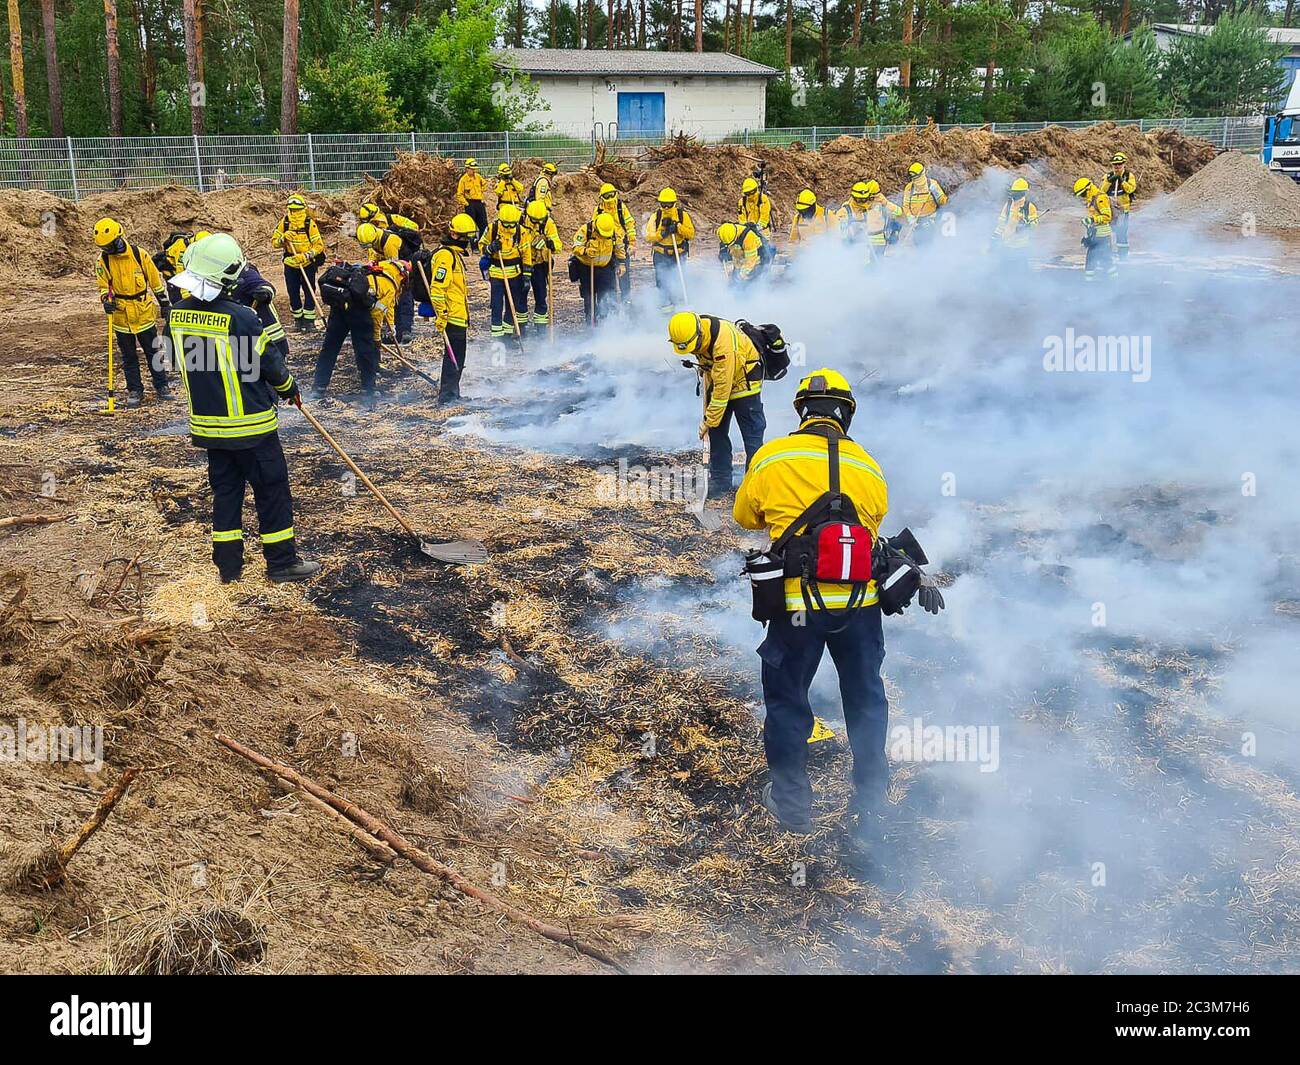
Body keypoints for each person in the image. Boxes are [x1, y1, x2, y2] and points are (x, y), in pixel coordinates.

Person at [732, 370, 888, 837]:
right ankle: (873, 804)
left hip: (797, 606)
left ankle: (793, 806)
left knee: (787, 701)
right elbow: (871, 532)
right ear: (848, 414)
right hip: (862, 607)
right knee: (865, 701)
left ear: (801, 411)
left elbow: (744, 516)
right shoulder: (870, 468)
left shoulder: (772, 455)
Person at [165, 233, 319, 584]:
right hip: (251, 428)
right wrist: (289, 389)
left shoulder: (176, 316)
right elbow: (271, 365)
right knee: (272, 491)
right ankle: (281, 563)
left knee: (227, 494)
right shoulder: (243, 318)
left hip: (209, 429)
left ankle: (229, 569)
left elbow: (179, 361)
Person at [667, 312, 766, 499]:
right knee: (717, 432)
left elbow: (722, 390)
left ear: (699, 334)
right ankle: (721, 481)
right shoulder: (696, 334)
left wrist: (708, 421)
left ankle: (754, 486)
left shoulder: (724, 345)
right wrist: (709, 419)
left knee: (752, 436)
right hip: (722, 380)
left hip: (745, 384)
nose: (691, 351)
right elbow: (710, 377)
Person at [93, 217, 171, 406]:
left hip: (143, 312)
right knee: (128, 356)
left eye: (109, 246)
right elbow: (104, 286)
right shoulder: (103, 261)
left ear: (118, 238)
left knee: (153, 351)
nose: (107, 251)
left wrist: (165, 303)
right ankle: (135, 390)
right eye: (104, 248)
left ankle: (162, 386)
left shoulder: (139, 255)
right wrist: (106, 300)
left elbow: (155, 281)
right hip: (121, 316)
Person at [312, 260, 391, 401]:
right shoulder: (383, 282)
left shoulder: (343, 279)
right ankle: (368, 389)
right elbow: (378, 312)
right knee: (364, 350)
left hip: (338, 311)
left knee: (329, 349)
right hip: (359, 314)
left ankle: (318, 387)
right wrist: (377, 336)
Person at [427, 214, 475, 403]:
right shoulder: (445, 256)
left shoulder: (454, 254)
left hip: (458, 315)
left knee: (458, 358)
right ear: (455, 235)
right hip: (451, 317)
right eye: (465, 237)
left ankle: (454, 393)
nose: (468, 241)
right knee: (453, 358)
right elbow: (438, 289)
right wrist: (442, 314)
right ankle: (447, 397)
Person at [355, 219, 419, 343]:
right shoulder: (372, 241)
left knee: (403, 298)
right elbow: (373, 259)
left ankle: (405, 330)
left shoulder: (390, 242)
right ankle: (391, 329)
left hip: (402, 270)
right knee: (388, 300)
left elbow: (393, 268)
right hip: (388, 270)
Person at [271, 194, 326, 332]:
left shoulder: (309, 224)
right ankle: (298, 320)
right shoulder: (285, 223)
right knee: (293, 292)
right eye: (292, 210)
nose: (294, 213)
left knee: (309, 290)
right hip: (290, 263)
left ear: (303, 209)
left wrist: (306, 255)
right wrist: (283, 238)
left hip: (307, 263)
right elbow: (274, 243)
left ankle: (309, 321)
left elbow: (319, 246)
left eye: (297, 210)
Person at [479, 203, 527, 340]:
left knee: (513, 306)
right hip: (496, 274)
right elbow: (481, 246)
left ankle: (507, 335)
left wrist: (527, 276)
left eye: (512, 225)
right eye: (506, 225)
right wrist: (490, 248)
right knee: (496, 306)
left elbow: (526, 253)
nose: (509, 228)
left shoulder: (521, 231)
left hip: (515, 274)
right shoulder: (492, 229)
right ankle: (497, 338)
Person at [643, 187, 695, 312]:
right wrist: (663, 233)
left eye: (669, 204)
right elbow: (648, 236)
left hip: (679, 253)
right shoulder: (656, 216)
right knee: (662, 281)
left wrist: (678, 227)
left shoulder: (682, 216)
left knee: (678, 278)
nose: (666, 207)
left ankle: (679, 305)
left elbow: (691, 234)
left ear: (674, 203)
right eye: (663, 204)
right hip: (661, 255)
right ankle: (665, 307)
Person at [521, 199, 563, 330]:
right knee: (521, 295)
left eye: (540, 220)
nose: (537, 223)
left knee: (540, 295)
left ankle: (541, 327)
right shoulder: (520, 221)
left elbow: (558, 244)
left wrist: (551, 244)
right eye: (534, 220)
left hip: (539, 264)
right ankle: (521, 326)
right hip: (522, 265)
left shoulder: (548, 223)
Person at [571, 213, 618, 323]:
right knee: (589, 298)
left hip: (605, 268)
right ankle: (590, 322)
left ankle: (605, 323)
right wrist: (585, 251)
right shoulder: (585, 230)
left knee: (605, 296)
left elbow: (619, 248)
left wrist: (621, 263)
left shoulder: (612, 231)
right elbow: (575, 247)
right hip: (587, 268)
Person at [594, 183, 636, 305]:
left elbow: (629, 224)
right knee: (608, 276)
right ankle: (610, 303)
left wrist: (632, 242)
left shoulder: (621, 207)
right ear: (602, 197)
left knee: (624, 275)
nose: (609, 197)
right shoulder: (598, 210)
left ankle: (626, 301)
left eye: (611, 194)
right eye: (606, 195)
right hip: (606, 247)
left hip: (622, 245)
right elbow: (594, 228)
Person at [1073, 177, 1117, 282]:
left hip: (1102, 236)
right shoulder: (1093, 199)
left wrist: (1092, 219)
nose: (1083, 197)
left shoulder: (1100, 199)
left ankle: (1111, 284)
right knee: (1101, 261)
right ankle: (1112, 282)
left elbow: (1107, 217)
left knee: (1101, 262)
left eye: (1083, 194)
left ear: (1088, 189)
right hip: (1096, 236)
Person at [991, 177, 1038, 271]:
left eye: (1017, 192)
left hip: (1021, 248)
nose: (1014, 194)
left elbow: (1034, 225)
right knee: (1004, 272)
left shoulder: (1029, 207)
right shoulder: (1008, 205)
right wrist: (995, 237)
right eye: (1014, 192)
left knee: (1021, 273)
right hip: (1006, 246)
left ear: (1023, 193)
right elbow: (1001, 223)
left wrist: (1026, 225)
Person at [901, 162, 948, 246]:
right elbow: (906, 205)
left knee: (928, 244)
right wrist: (910, 218)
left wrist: (937, 193)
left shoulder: (932, 185)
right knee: (918, 243)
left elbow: (943, 202)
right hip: (916, 222)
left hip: (930, 221)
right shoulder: (909, 188)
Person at [1103, 151, 1137, 261]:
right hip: (1111, 211)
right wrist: (1109, 181)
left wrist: (1122, 180)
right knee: (1107, 232)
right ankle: (1107, 255)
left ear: (1124, 164)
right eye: (1115, 165)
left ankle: (1123, 256)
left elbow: (1130, 189)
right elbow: (1101, 191)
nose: (1117, 167)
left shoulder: (1128, 176)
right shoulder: (1108, 176)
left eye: (1119, 164)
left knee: (1121, 233)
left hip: (1123, 211)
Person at [717, 222, 766, 287]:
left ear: (734, 238)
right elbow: (724, 243)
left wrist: (740, 277)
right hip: (741, 261)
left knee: (750, 285)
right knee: (734, 285)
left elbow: (750, 262)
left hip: (757, 262)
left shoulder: (749, 238)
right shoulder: (727, 232)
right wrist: (723, 251)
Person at [456, 158, 489, 238]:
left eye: (475, 169)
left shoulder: (478, 177)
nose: (474, 171)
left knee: (484, 225)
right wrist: (466, 204)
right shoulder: (463, 180)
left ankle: (482, 242)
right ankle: (474, 247)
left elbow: (485, 184)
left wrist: (481, 191)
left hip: (479, 203)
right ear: (467, 169)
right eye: (472, 169)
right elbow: (459, 195)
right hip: (470, 204)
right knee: (471, 226)